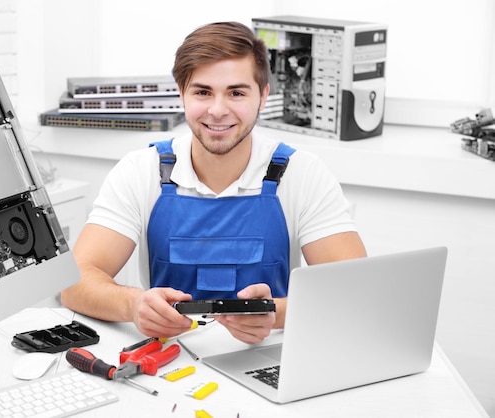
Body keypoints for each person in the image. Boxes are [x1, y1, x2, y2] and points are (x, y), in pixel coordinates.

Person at [60, 21, 367, 344]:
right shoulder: (140, 171)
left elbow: (355, 292)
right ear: (181, 94)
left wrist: (274, 313)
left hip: (270, 361)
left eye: (236, 93)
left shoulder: (303, 174)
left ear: (263, 96)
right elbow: (73, 284)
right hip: (167, 364)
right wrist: (134, 304)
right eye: (203, 92)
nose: (217, 110)